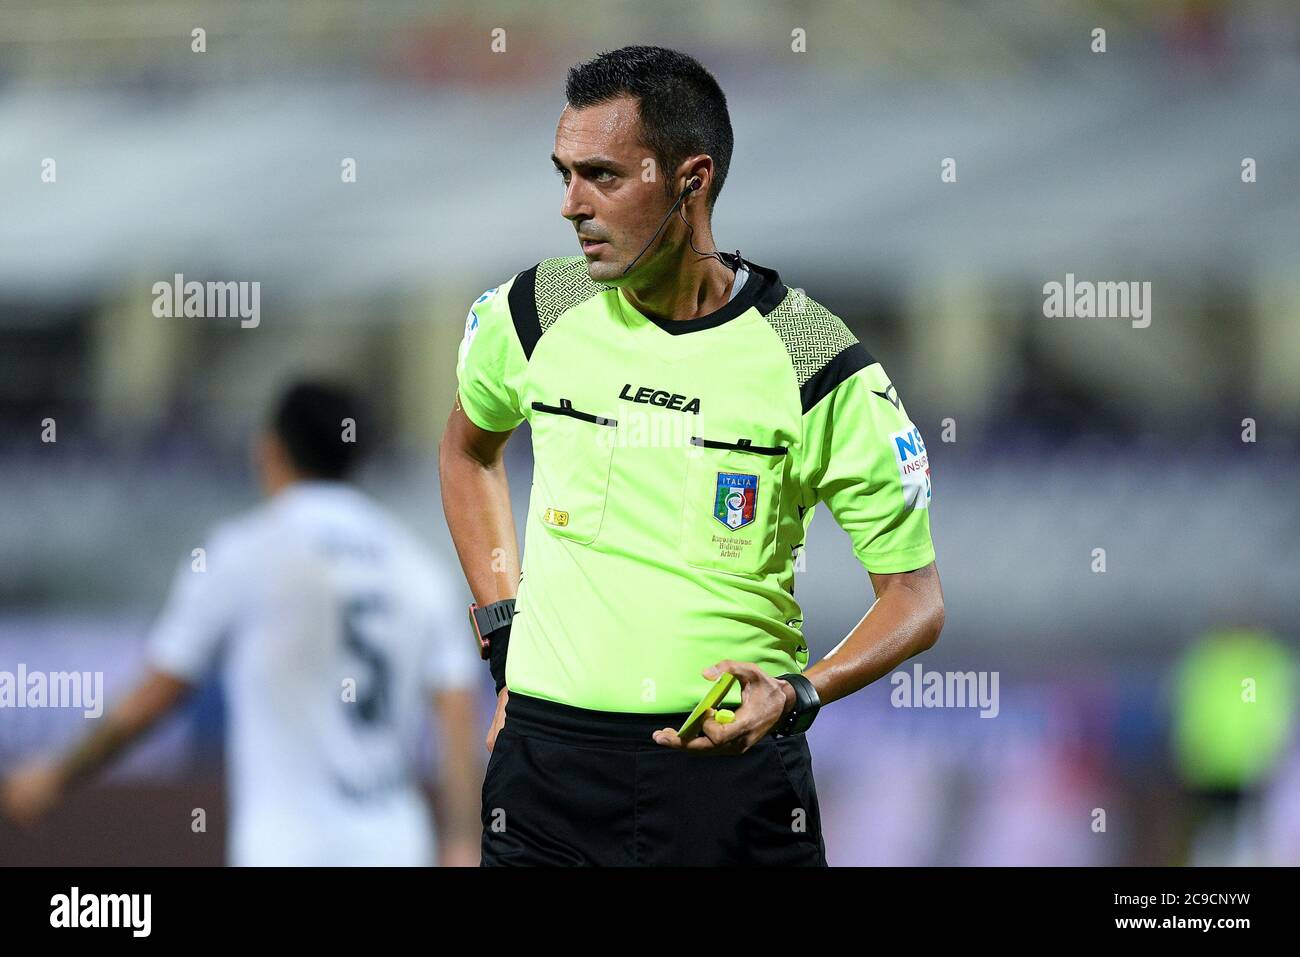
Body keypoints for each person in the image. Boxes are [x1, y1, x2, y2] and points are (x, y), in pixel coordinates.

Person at [439, 45, 945, 866]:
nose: (572, 205)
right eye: (564, 173)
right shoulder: (534, 310)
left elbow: (915, 598)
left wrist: (798, 692)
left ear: (690, 179)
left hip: (731, 786)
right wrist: (505, 636)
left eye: (602, 175)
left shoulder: (814, 354)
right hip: (546, 777)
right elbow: (467, 451)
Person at [2, 381, 482, 866]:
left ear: (270, 450)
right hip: (393, 846)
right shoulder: (419, 568)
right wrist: (462, 841)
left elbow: (153, 699)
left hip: (286, 847)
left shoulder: (242, 552)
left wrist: (55, 776)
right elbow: (457, 717)